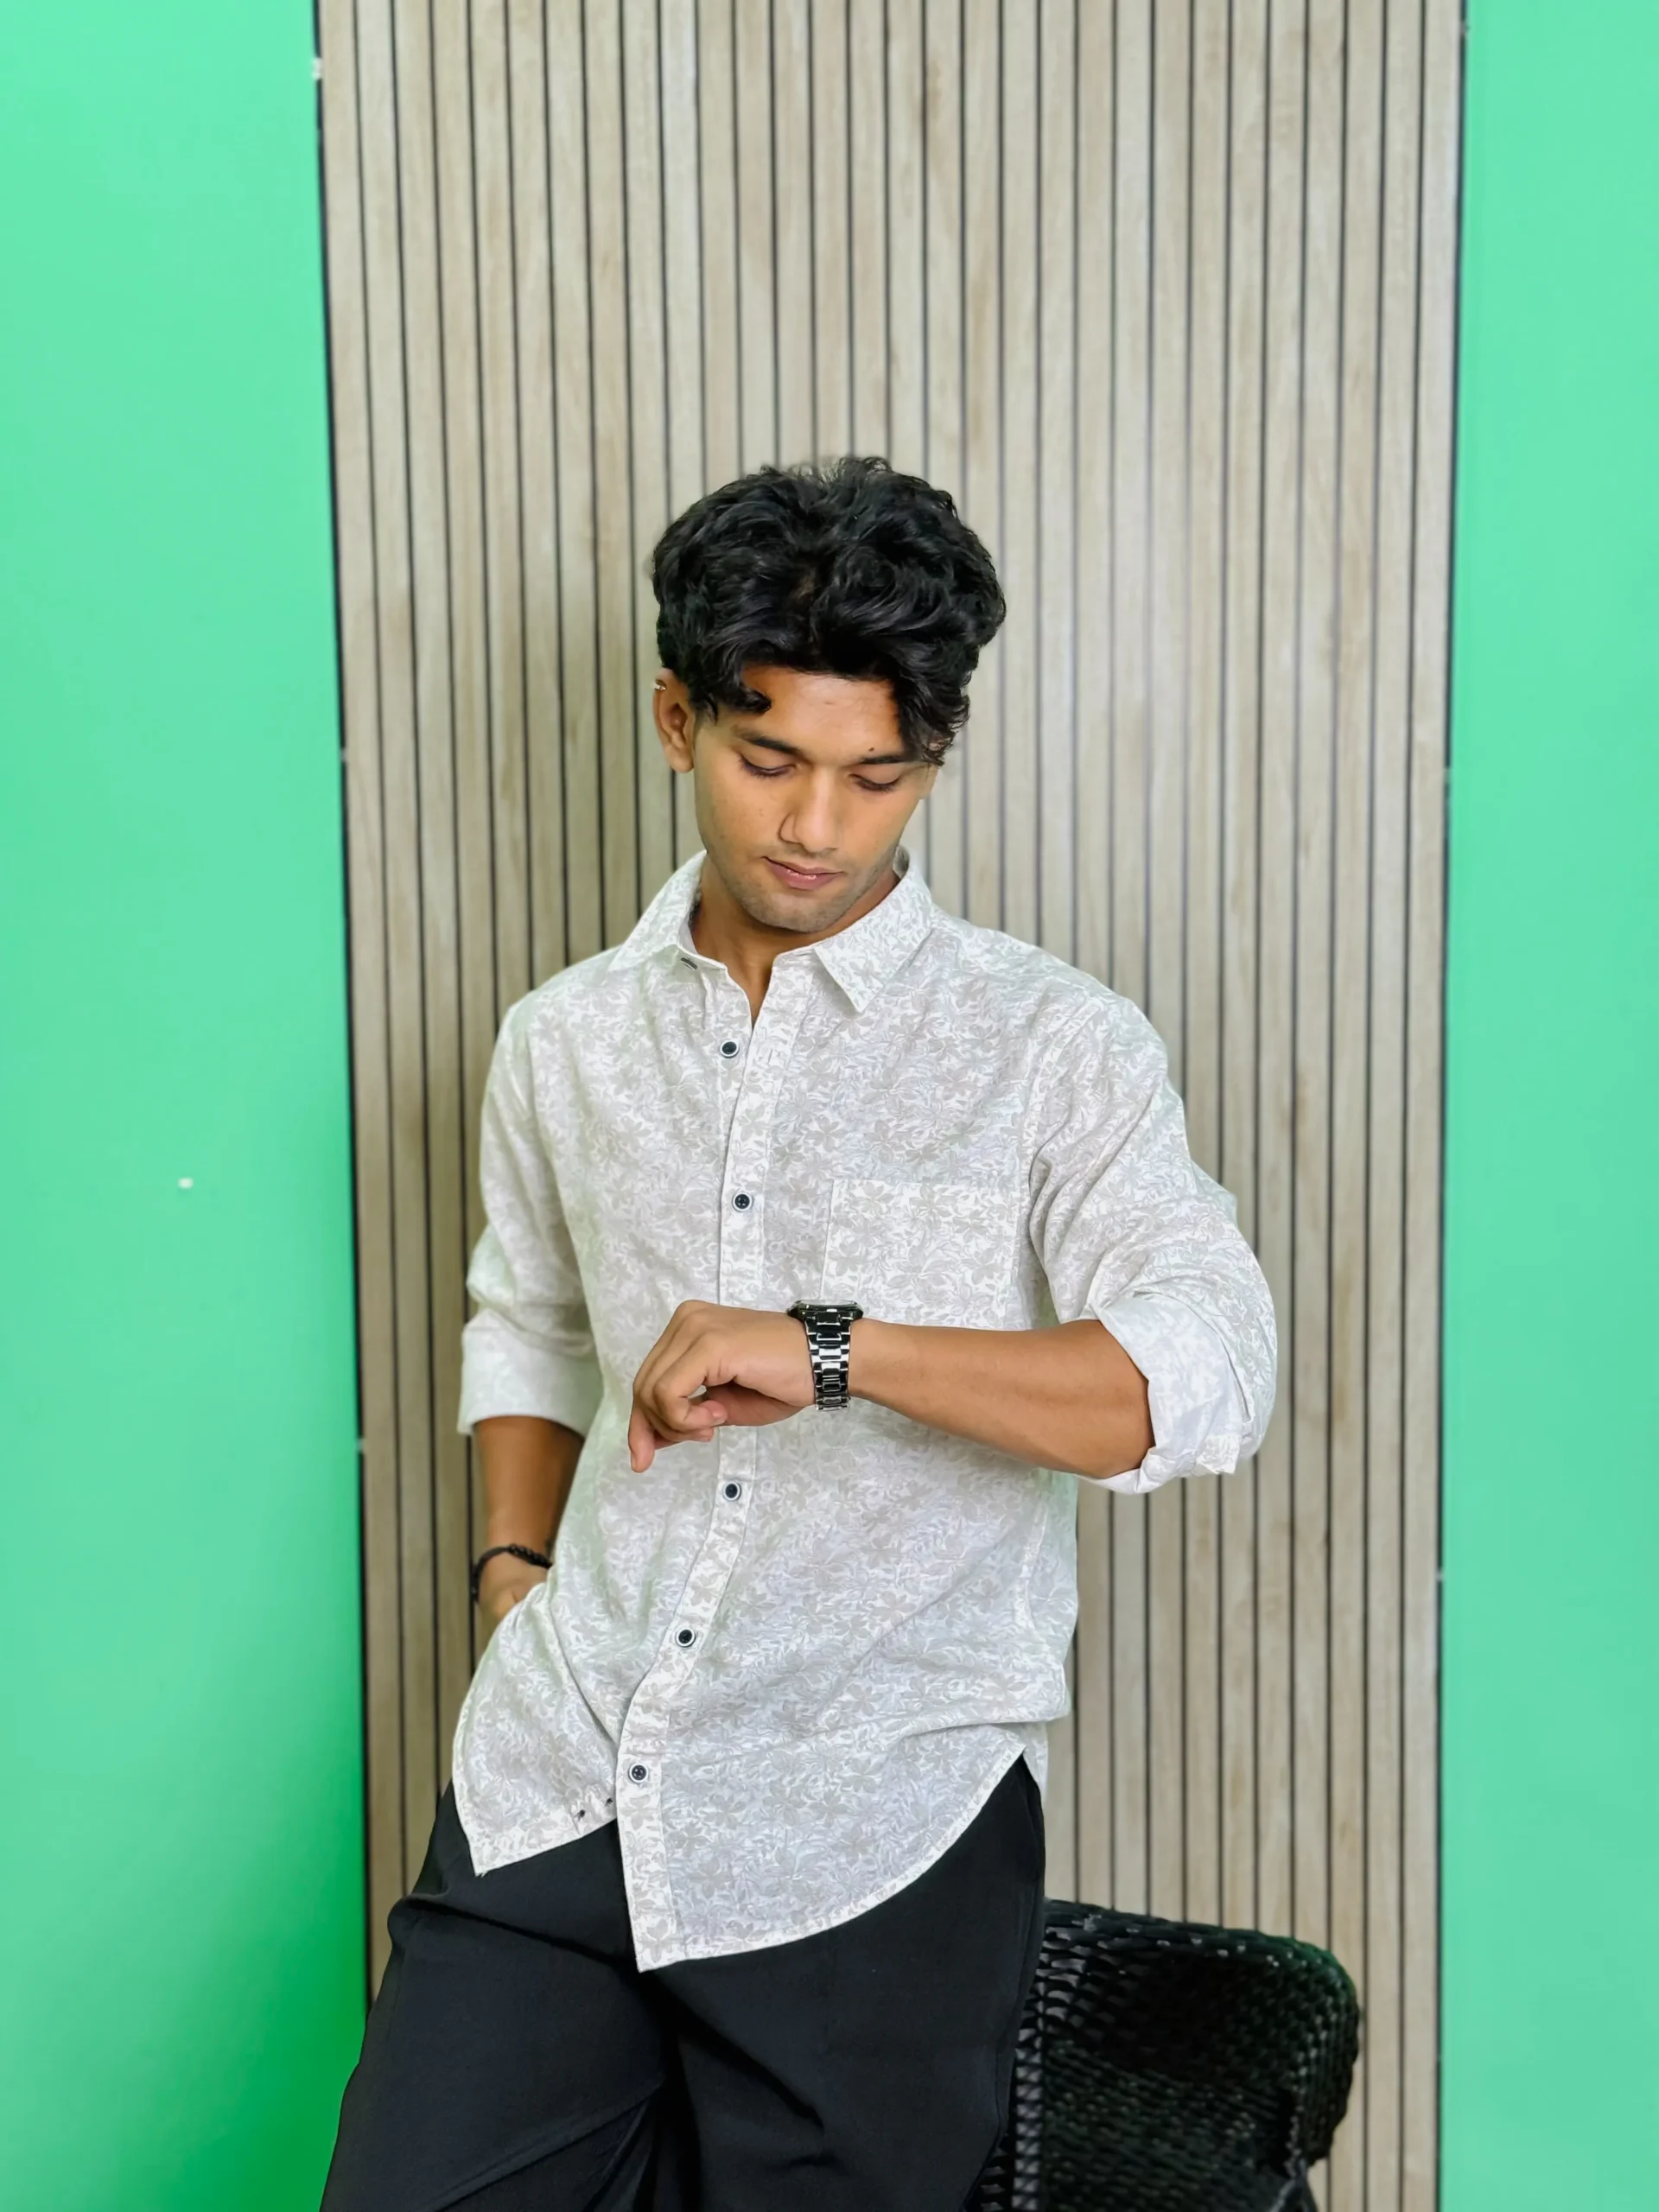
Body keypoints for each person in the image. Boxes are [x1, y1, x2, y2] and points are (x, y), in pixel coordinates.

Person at [320, 456, 1276, 2212]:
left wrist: (836, 1347)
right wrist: (514, 1568)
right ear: (678, 720)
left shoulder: (1050, 1045)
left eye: (876, 776)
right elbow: (528, 1314)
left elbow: (1203, 1378)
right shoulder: (563, 1041)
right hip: (563, 1770)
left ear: (932, 761)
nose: (819, 826)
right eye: (770, 762)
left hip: (872, 1817)